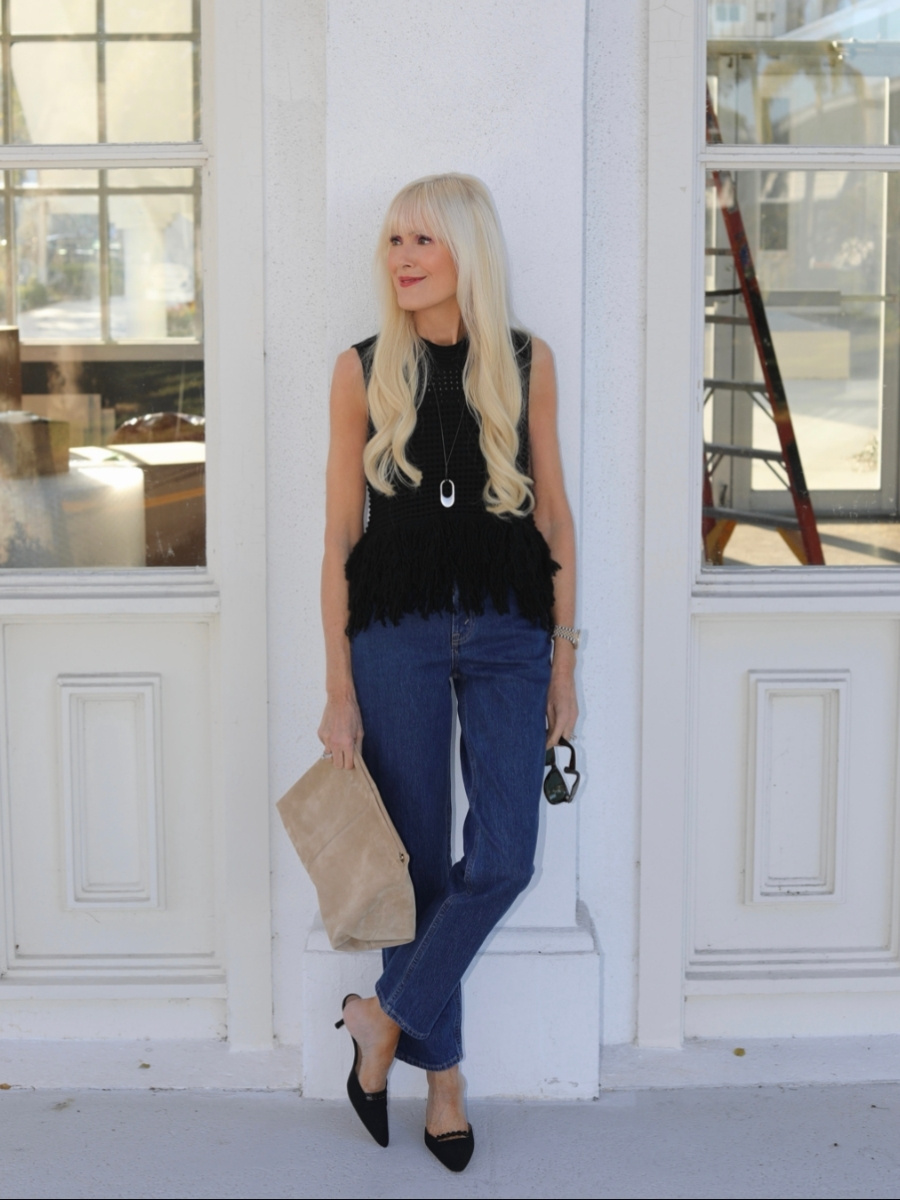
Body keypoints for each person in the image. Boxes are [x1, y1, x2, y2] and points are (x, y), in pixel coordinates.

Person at [319, 173, 578, 1172]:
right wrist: (339, 685)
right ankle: (448, 1084)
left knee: (506, 854)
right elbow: (341, 533)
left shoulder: (525, 362)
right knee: (413, 872)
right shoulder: (359, 371)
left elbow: (552, 517)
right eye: (392, 240)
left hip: (514, 631)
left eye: (423, 237)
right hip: (397, 635)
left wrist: (565, 658)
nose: (402, 255)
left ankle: (378, 1019)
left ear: (470, 248)